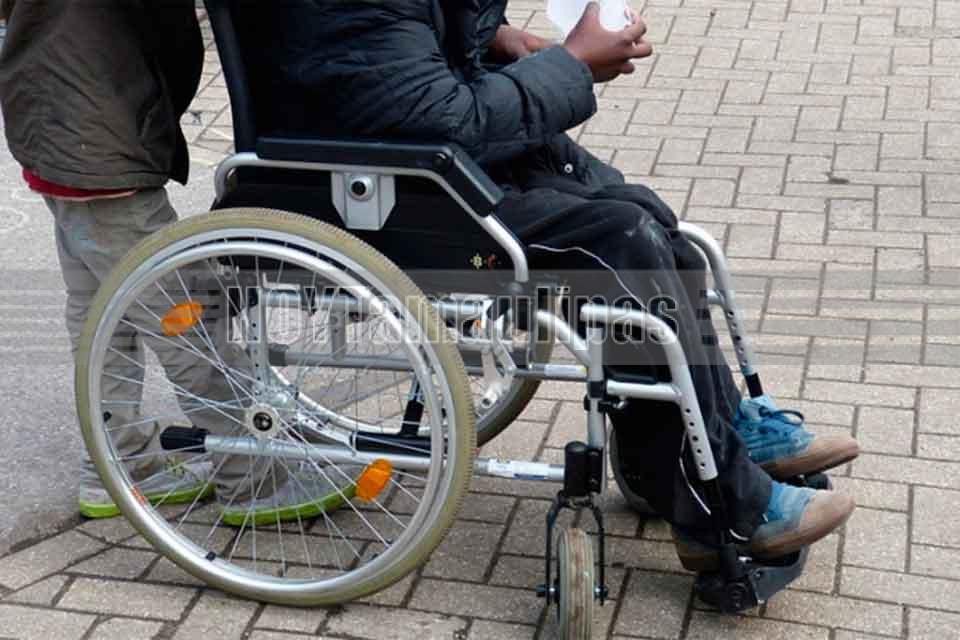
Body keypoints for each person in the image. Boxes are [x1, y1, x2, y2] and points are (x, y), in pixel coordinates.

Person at [252, 0, 860, 567]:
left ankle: (704, 438)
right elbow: (433, 110)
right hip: (383, 195)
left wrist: (497, 37)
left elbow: (404, 53)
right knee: (619, 242)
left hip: (424, 165)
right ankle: (723, 508)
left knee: (645, 218)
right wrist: (572, 65)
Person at [0, 0, 217, 519]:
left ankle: (117, 464)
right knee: (184, 315)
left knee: (100, 316)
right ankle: (253, 473)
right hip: (98, 135)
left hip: (51, 124)